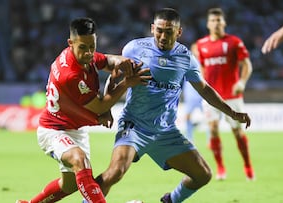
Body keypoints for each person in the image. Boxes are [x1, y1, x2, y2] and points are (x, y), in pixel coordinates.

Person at [88, 8, 251, 203]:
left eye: (169, 31)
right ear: (152, 28)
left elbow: (205, 90)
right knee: (115, 172)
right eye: (159, 30)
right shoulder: (135, 49)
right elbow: (114, 76)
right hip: (134, 125)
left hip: (166, 131)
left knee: (203, 175)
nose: (163, 36)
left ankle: (170, 200)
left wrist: (232, 113)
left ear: (179, 32)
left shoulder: (186, 58)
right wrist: (106, 109)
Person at [16, 17, 151, 203]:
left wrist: (122, 62)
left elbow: (107, 61)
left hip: (74, 129)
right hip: (54, 130)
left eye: (92, 46)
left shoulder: (82, 55)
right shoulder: (71, 75)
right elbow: (100, 106)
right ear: (70, 43)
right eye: (83, 47)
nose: (89, 53)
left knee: (70, 185)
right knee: (79, 160)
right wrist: (127, 83)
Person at [195, 7, 254, 181]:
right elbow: (201, 69)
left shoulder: (234, 42)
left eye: (219, 20)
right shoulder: (201, 45)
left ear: (224, 23)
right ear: (207, 24)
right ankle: (220, 167)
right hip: (211, 97)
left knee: (237, 132)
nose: (216, 24)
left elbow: (247, 65)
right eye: (213, 21)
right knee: (213, 130)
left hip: (232, 96)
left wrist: (241, 82)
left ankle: (248, 165)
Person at [182, 43, 204, 142]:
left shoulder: (203, 62)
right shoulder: (187, 62)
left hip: (203, 93)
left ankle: (210, 138)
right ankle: (189, 137)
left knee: (208, 116)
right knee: (188, 116)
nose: (198, 51)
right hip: (190, 94)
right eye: (196, 49)